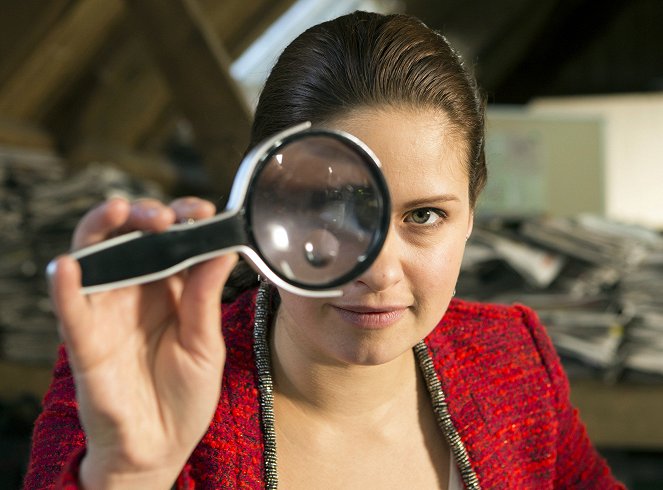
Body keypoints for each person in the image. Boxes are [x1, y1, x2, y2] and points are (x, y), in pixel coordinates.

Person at [24, 11, 623, 489]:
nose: (379, 271)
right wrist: (128, 477)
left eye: (425, 216)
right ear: (263, 207)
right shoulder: (139, 382)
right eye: (328, 212)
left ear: (471, 215)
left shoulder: (512, 362)